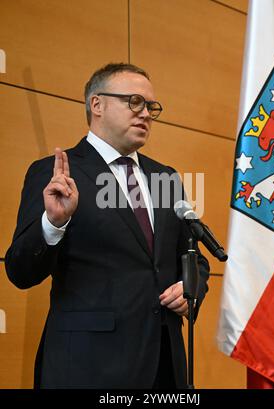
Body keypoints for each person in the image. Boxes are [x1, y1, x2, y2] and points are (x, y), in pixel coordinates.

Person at [5, 63, 209, 389]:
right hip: (89, 368)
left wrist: (192, 289)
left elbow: (193, 257)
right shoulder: (56, 174)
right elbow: (19, 270)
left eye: (151, 107)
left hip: (164, 368)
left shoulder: (165, 177)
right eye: (134, 102)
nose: (145, 114)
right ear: (96, 105)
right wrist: (53, 223)